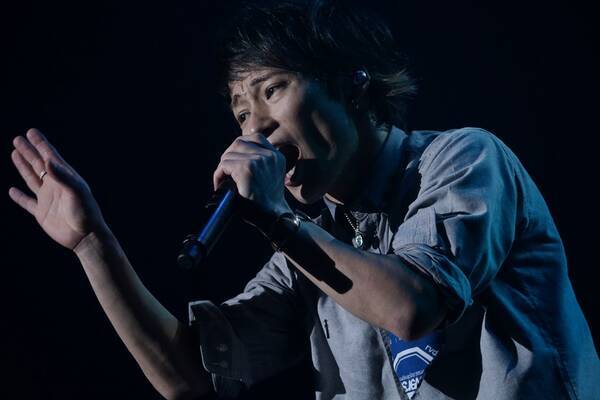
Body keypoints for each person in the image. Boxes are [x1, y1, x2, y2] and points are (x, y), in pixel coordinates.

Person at [8, 1, 598, 399]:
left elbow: (413, 309)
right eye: (241, 113)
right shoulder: (307, 245)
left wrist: (279, 221)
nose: (255, 128)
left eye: (272, 90)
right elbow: (189, 377)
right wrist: (93, 245)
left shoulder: (464, 158)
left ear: (352, 84)